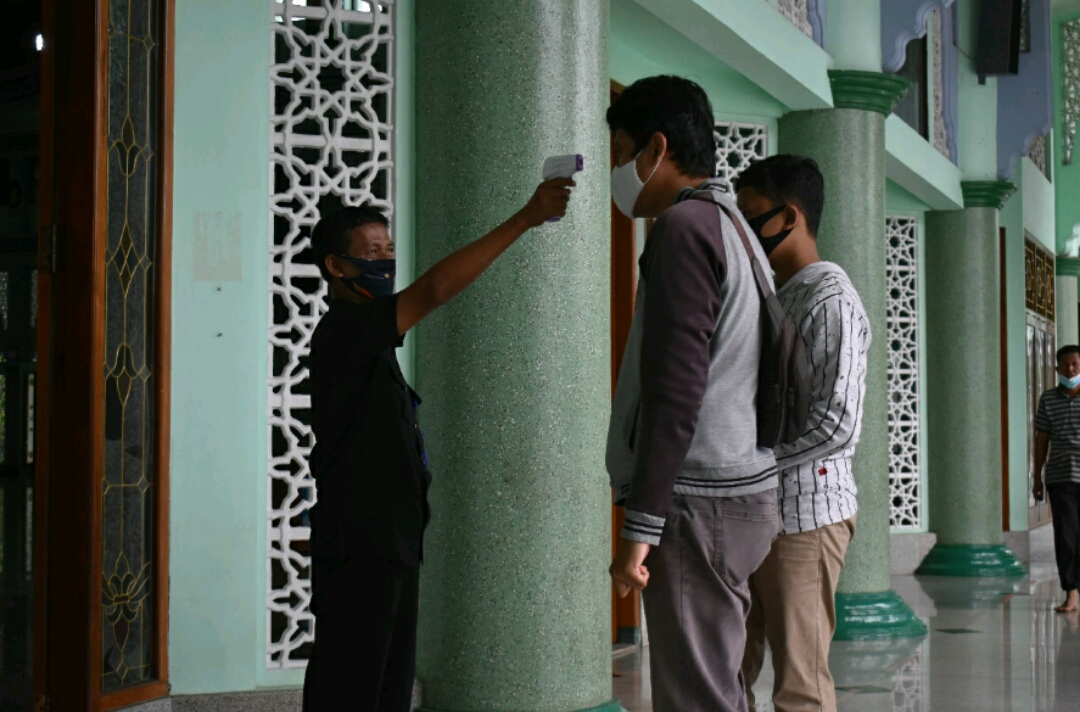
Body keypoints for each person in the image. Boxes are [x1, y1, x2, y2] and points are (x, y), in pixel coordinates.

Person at [302, 179, 574, 712]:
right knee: (349, 686)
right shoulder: (343, 332)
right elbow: (431, 292)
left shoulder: (373, 344)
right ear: (337, 267)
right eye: (371, 253)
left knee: (387, 687)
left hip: (393, 541)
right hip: (360, 543)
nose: (385, 262)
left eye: (389, 251)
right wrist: (523, 219)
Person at [605, 75, 781, 712]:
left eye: (621, 151)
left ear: (656, 149)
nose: (618, 170)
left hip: (699, 504)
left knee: (695, 698)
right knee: (718, 685)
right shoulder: (734, 226)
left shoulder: (684, 229)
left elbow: (676, 392)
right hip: (741, 492)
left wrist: (639, 531)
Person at [734, 155, 868, 712]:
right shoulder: (779, 290)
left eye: (752, 217)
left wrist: (751, 461)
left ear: (790, 217)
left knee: (800, 686)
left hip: (807, 518)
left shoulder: (829, 298)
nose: (745, 231)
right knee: (730, 668)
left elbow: (836, 424)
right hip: (761, 511)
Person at [1034, 344, 1080, 614]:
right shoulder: (1048, 399)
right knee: (1066, 535)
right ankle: (1071, 592)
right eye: (1065, 365)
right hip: (1061, 476)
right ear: (1056, 368)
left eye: (1075, 364)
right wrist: (1037, 476)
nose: (1071, 369)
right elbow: (1042, 438)